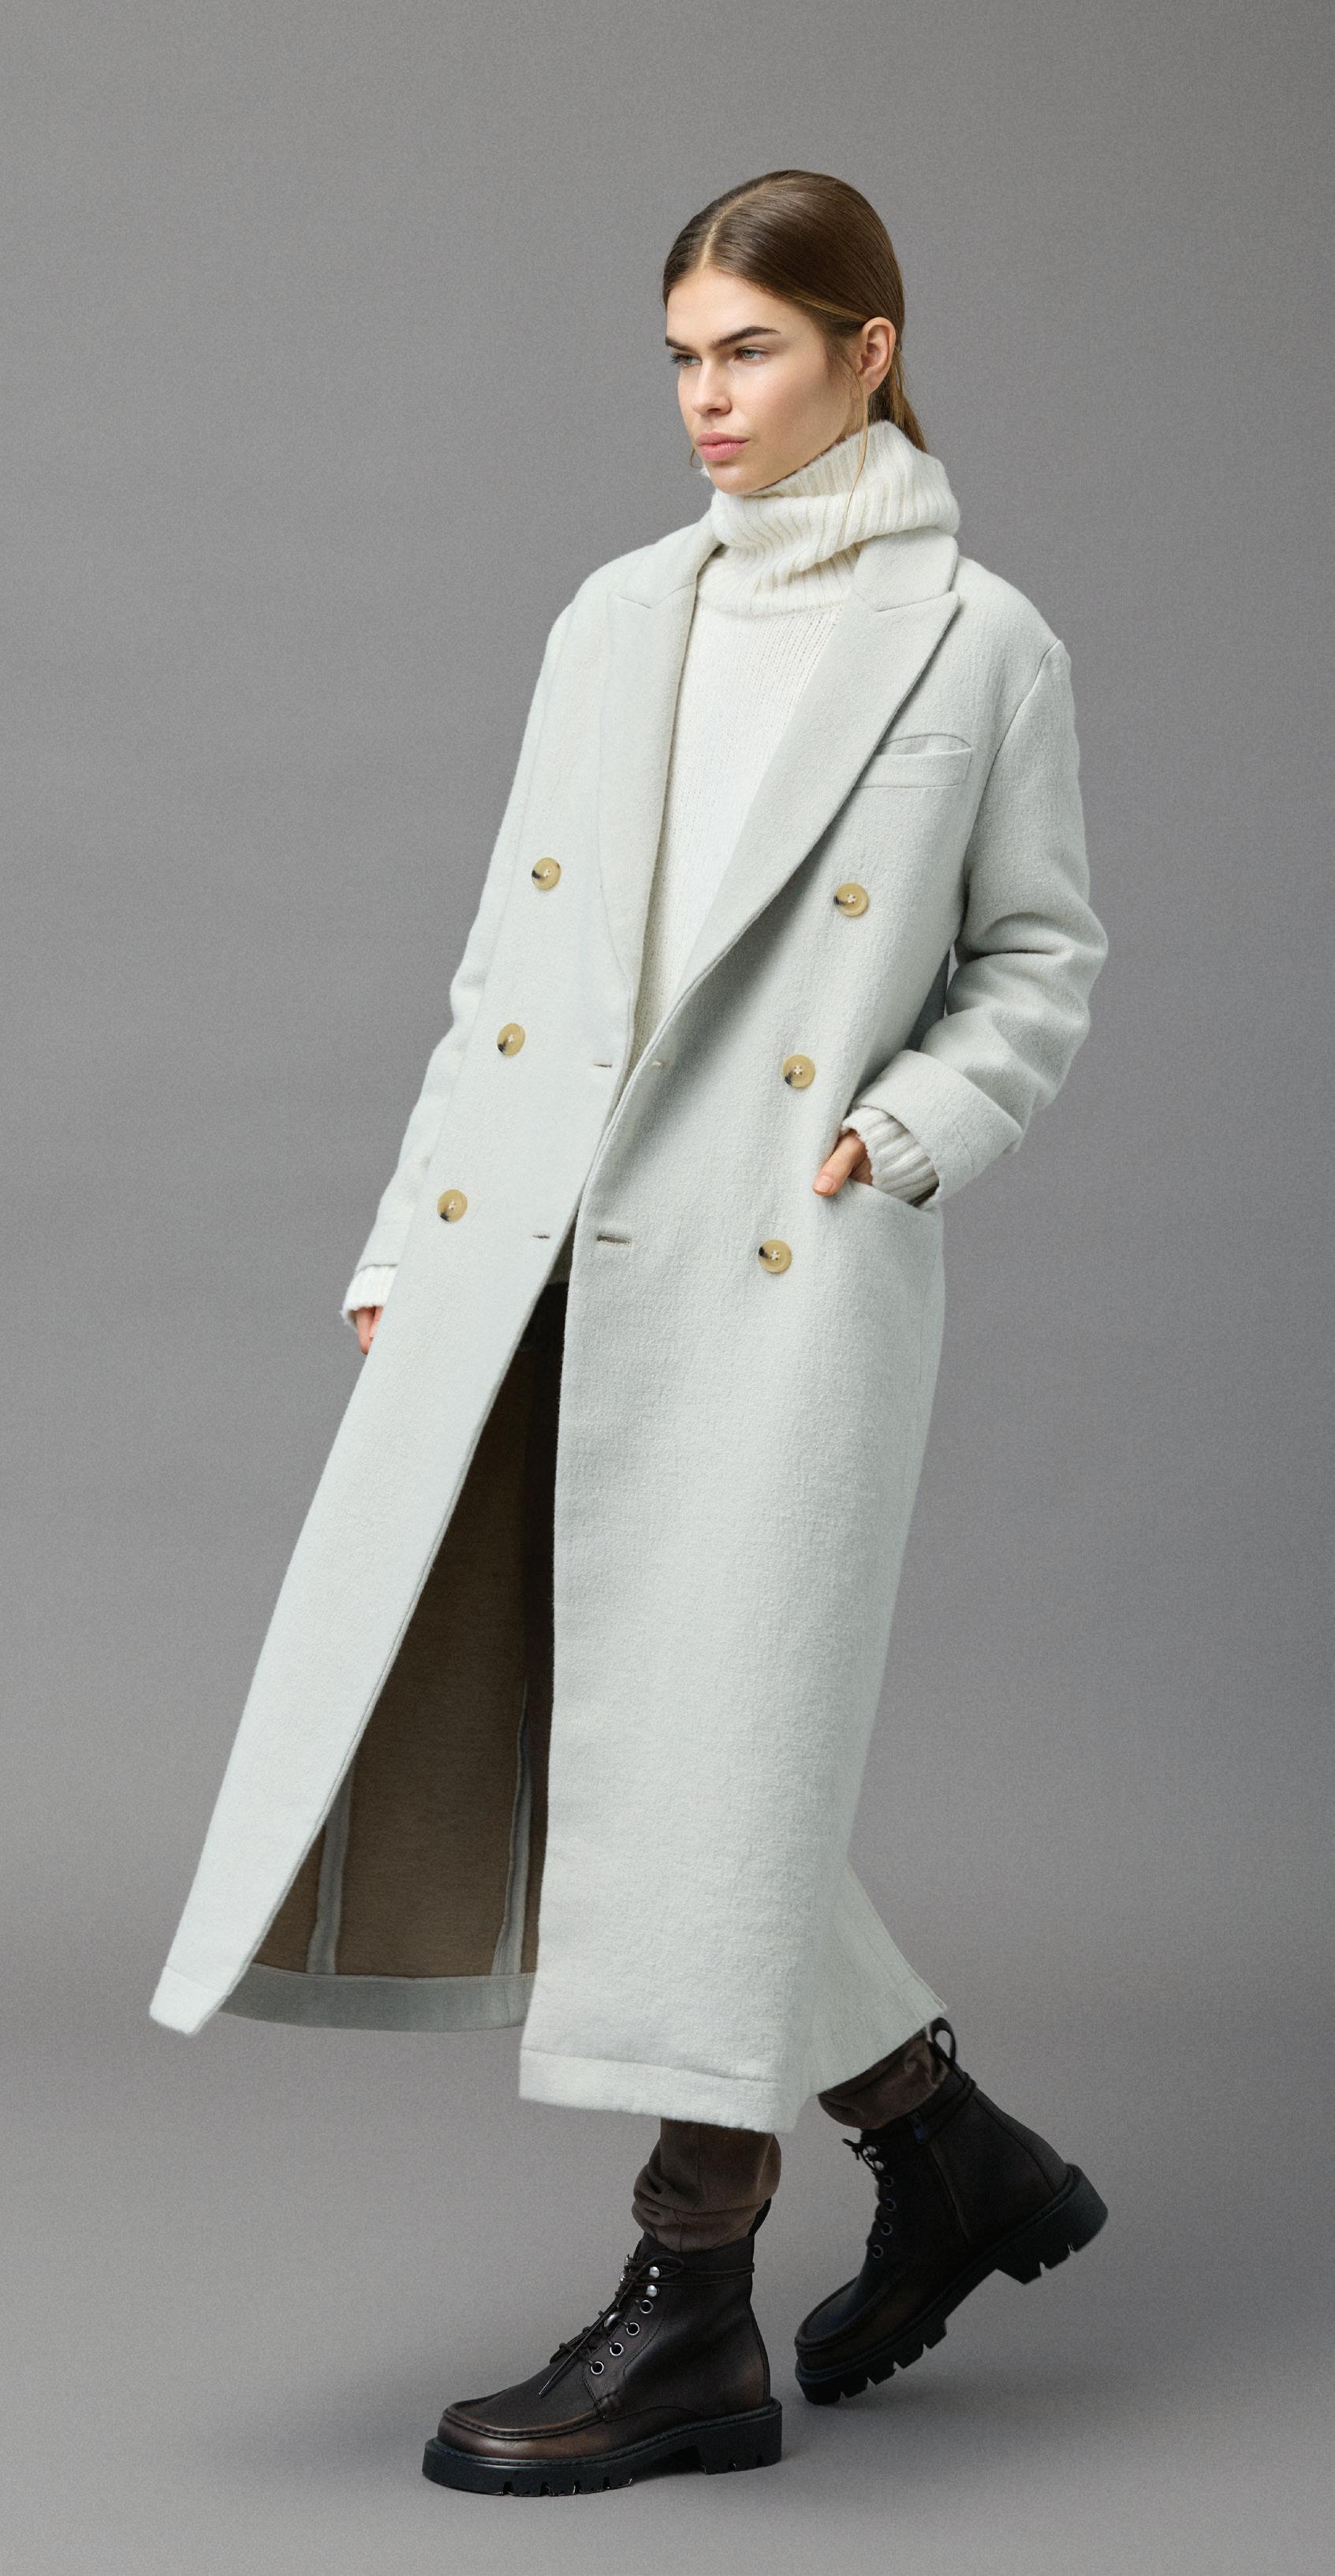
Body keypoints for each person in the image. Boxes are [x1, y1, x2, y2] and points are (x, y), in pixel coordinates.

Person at [151, 169, 1109, 2498]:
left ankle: (694, 2307)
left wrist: (908, 1126)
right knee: (643, 1746)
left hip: (780, 1269)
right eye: (681, 354)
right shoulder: (613, 615)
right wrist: (416, 1228)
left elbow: (1039, 956)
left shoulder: (981, 642)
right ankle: (952, 2149)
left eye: (750, 350)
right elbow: (515, 956)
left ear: (870, 350)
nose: (704, 396)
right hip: (546, 1247)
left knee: (714, 1757)